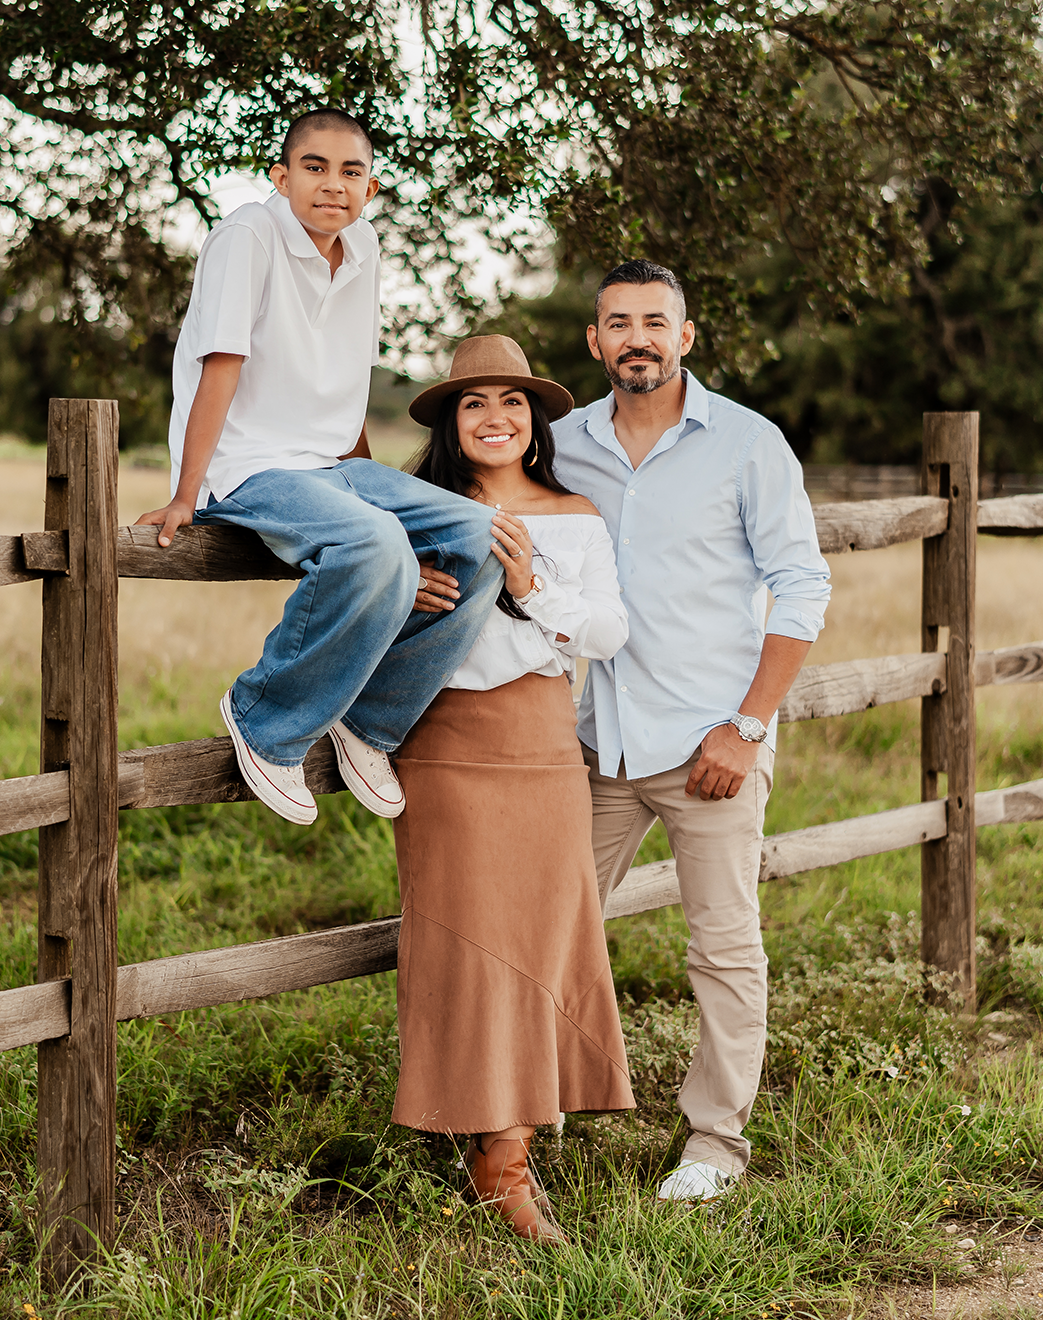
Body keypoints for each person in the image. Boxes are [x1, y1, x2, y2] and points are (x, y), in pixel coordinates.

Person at [133, 109, 503, 826]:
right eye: (315, 167)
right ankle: (266, 718)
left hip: (333, 466)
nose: (334, 185)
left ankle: (367, 719)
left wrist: (376, 492)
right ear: (282, 176)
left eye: (351, 171)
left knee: (484, 534)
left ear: (370, 186)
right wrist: (187, 492)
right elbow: (222, 365)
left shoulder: (362, 246)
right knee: (373, 547)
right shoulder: (247, 236)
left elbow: (345, 379)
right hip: (248, 465)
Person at [552, 260, 832, 1202]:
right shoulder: (560, 447)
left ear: (686, 335)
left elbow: (802, 587)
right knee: (548, 924)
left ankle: (715, 1140)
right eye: (618, 321)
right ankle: (528, 1108)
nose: (638, 336)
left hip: (713, 743)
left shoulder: (749, 444)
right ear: (595, 341)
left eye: (655, 321)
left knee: (722, 943)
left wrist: (748, 727)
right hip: (597, 743)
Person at [390, 335, 636, 1244]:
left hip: (541, 741)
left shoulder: (575, 513)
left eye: (513, 403)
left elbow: (606, 632)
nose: (495, 418)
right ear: (453, 425)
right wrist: (397, 583)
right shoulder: (419, 512)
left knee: (540, 937)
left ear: (535, 421)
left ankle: (509, 1155)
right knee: (468, 936)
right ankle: (489, 1143)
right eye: (473, 403)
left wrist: (531, 583)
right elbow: (343, 590)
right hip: (446, 744)